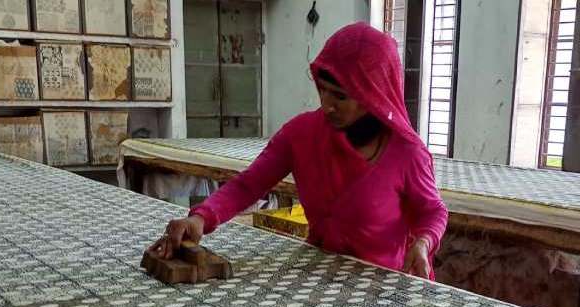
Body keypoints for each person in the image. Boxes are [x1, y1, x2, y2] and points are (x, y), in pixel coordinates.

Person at [148, 23, 448, 279]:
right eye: (322, 89)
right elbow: (249, 184)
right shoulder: (301, 135)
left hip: (382, 285)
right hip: (318, 274)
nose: (327, 105)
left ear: (373, 96)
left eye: (340, 97)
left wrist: (422, 243)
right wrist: (200, 218)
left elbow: (432, 211)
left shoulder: (407, 153)